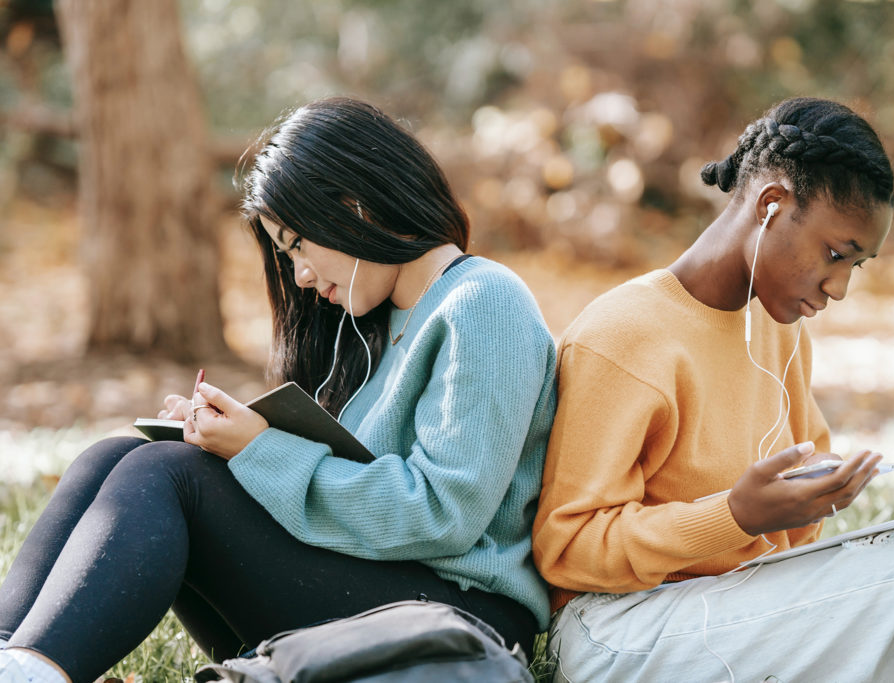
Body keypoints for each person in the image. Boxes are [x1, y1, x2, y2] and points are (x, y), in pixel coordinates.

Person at [0, 97, 557, 683]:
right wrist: (221, 440)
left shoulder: (485, 304)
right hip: (365, 589)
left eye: (298, 245)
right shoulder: (369, 324)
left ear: (357, 208)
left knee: (167, 475)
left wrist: (258, 451)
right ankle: (14, 655)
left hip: (456, 616)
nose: (301, 276)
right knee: (115, 457)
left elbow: (444, 514)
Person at [531, 97, 894, 682]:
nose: (838, 287)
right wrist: (735, 515)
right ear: (771, 204)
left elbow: (791, 528)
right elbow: (568, 550)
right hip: (613, 629)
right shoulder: (623, 335)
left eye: (856, 266)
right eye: (835, 254)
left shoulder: (775, 328)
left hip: (733, 605)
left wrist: (811, 498)